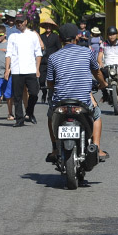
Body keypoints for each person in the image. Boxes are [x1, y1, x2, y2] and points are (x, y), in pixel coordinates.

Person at [45, 23, 108, 161]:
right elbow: (97, 72)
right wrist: (103, 84)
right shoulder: (87, 52)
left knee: (50, 116)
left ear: (60, 39)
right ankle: (96, 147)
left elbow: (50, 83)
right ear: (77, 37)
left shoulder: (53, 57)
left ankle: (55, 148)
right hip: (82, 101)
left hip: (60, 102)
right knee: (96, 114)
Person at [5, 13, 43, 125]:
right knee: (17, 96)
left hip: (30, 69)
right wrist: (7, 69)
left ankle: (29, 113)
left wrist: (37, 68)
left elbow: (38, 53)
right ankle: (19, 119)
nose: (19, 24)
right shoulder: (13, 36)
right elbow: (9, 54)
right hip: (17, 69)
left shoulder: (32, 35)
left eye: (21, 22)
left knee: (34, 93)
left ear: (26, 22)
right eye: (17, 22)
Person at [38, 20, 62, 104]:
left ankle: (50, 95)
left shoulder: (56, 37)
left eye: (49, 26)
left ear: (52, 27)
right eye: (46, 26)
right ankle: (44, 93)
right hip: (42, 61)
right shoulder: (41, 37)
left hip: (52, 61)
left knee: (52, 80)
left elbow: (59, 49)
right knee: (41, 80)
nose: (48, 27)